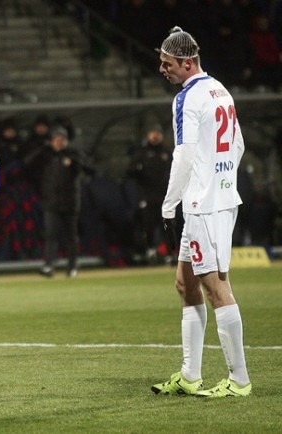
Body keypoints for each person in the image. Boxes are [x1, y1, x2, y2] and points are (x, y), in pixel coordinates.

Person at [151, 27, 251, 398]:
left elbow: (185, 154)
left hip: (202, 205)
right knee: (185, 282)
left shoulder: (188, 97)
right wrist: (223, 179)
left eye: (167, 63)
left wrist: (169, 203)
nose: (162, 69)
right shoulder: (219, 89)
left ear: (186, 62)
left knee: (216, 287)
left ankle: (239, 380)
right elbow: (237, 143)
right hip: (217, 197)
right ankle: (190, 375)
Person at [31, 125, 92, 278]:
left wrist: (75, 161)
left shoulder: (73, 155)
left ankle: (72, 266)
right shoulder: (47, 156)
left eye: (61, 139)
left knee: (70, 235)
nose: (58, 142)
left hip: (70, 202)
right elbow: (28, 163)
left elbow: (88, 168)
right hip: (51, 202)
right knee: (50, 234)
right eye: (56, 139)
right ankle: (49, 265)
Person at [126, 124, 172, 262]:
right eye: (153, 132)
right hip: (147, 195)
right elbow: (130, 173)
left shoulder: (166, 152)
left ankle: (170, 253)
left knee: (167, 225)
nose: (155, 135)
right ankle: (150, 251)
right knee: (148, 225)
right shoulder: (141, 153)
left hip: (165, 195)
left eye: (158, 132)